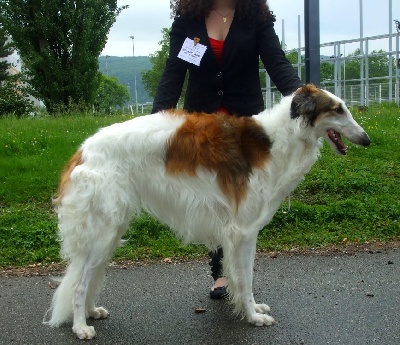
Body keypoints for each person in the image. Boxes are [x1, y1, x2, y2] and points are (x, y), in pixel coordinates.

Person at [152, 0, 303, 299]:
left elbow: (277, 63)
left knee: (241, 204)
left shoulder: (256, 17)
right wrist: (155, 121)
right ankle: (220, 274)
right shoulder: (188, 19)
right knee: (216, 200)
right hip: (204, 128)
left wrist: (305, 97)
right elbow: (174, 71)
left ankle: (239, 278)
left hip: (245, 129)